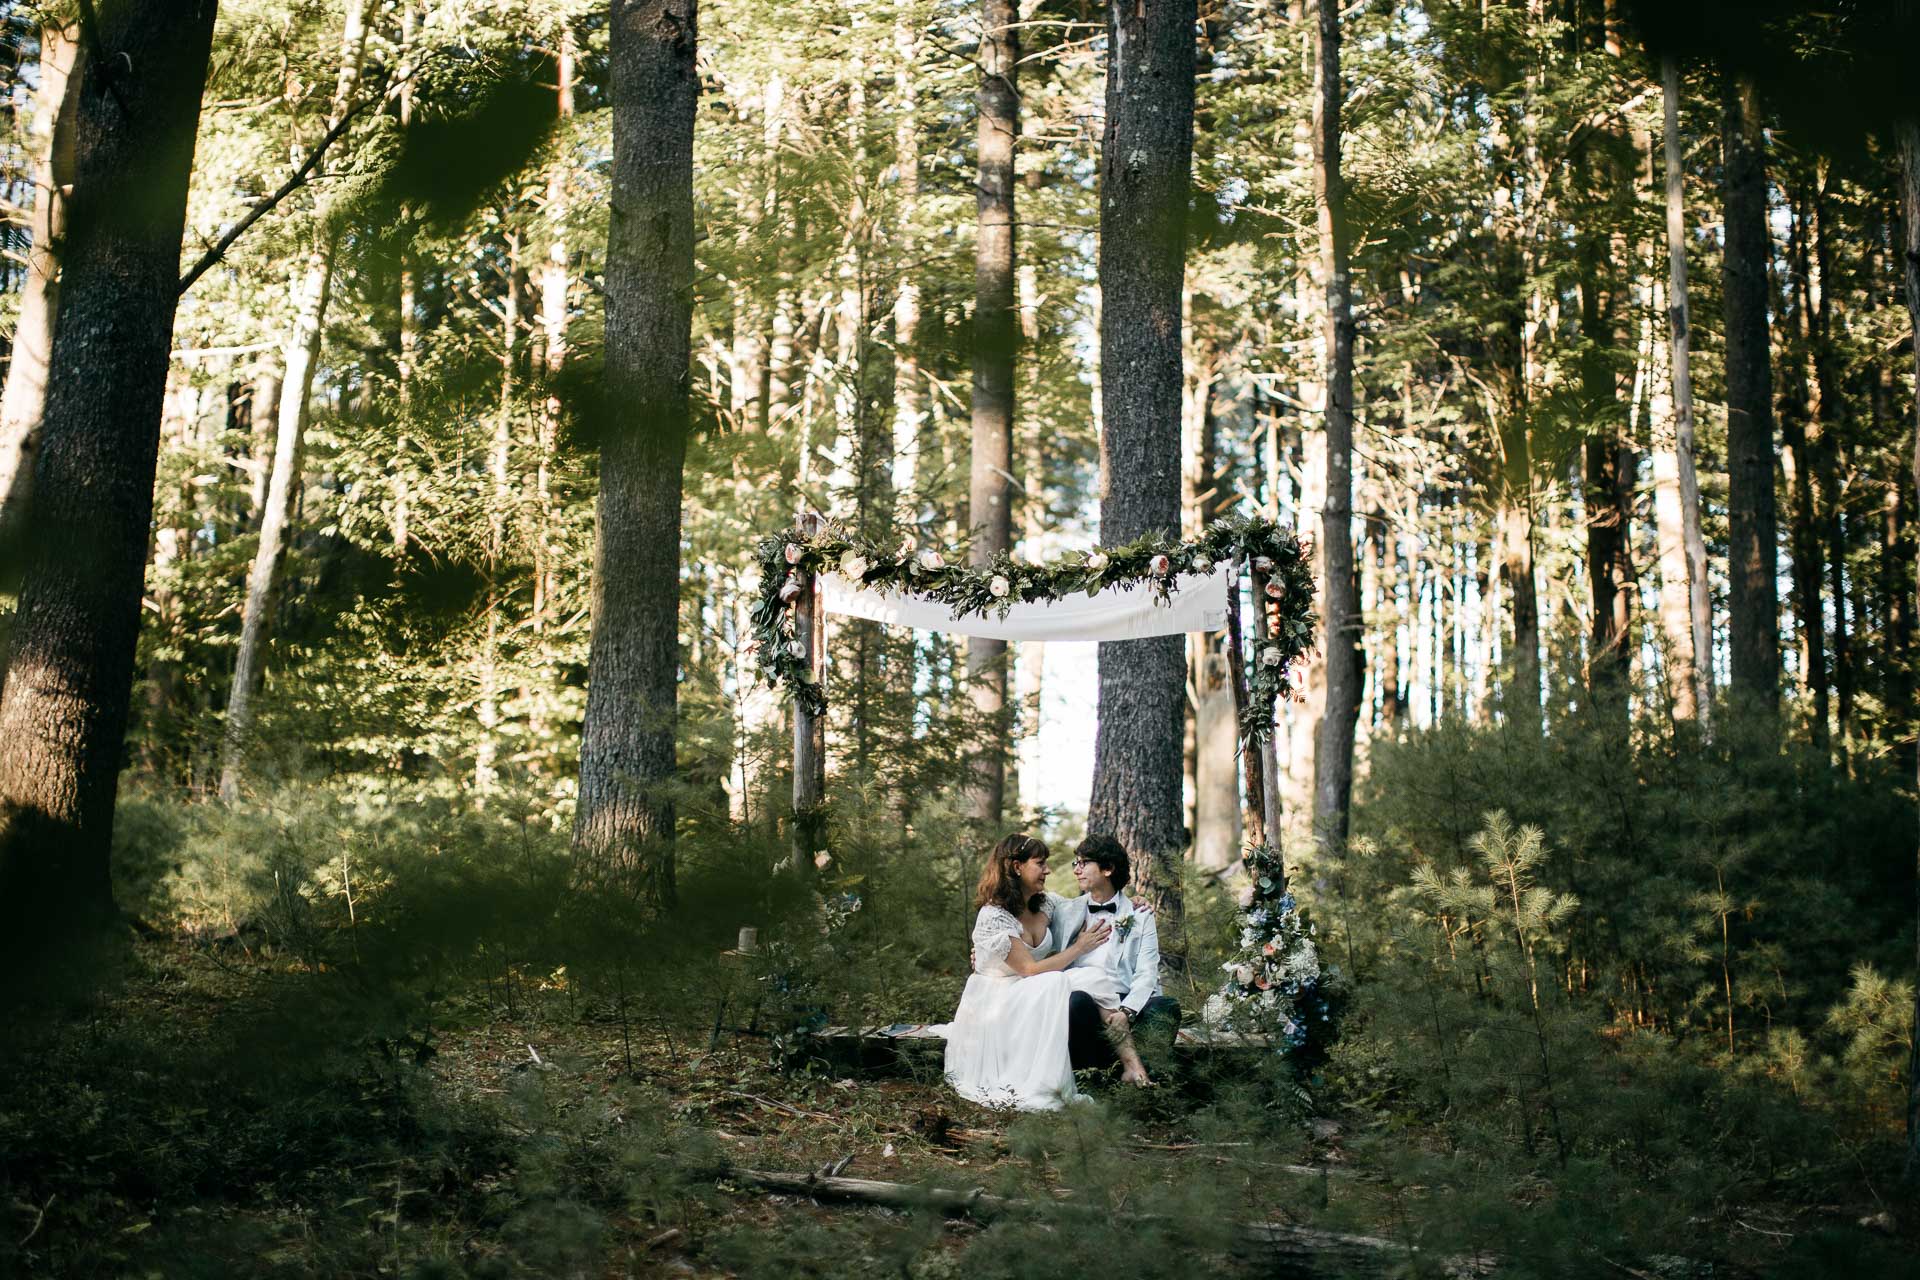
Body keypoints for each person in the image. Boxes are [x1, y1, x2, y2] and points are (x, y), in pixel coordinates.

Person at [940, 833, 1113, 1110]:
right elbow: (1030, 969)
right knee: (1055, 982)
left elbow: (1092, 903)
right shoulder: (993, 916)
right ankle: (1046, 1082)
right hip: (997, 999)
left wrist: (1133, 901)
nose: (1048, 870)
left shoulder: (1045, 903)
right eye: (1040, 863)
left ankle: (1119, 1061)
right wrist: (1079, 948)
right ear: (1017, 866)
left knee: (1090, 977)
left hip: (1029, 990)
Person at [1056, 834, 1181, 1083]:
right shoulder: (1065, 911)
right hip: (1085, 1001)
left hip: (1125, 1000)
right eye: (1075, 864)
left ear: (1108, 869)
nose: (1076, 870)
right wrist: (986, 955)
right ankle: (1091, 1080)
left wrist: (1127, 1011)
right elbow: (1028, 932)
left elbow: (1147, 973)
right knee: (1075, 1002)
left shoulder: (1139, 914)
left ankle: (1145, 1084)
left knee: (1165, 1007)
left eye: (1084, 863)